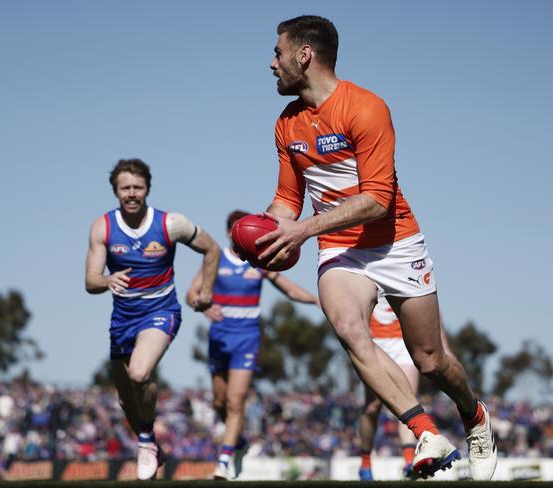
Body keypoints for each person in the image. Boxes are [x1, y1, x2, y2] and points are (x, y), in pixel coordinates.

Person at [253, 16, 497, 480]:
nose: (272, 63)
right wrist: (266, 228)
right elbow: (288, 199)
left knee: (431, 360)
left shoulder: (366, 108)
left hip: (396, 241)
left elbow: (376, 199)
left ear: (305, 55)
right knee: (348, 328)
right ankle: (426, 431)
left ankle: (473, 415)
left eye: (278, 53)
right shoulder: (286, 124)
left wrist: (302, 229)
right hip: (340, 250)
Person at [85, 158, 220, 480]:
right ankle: (153, 444)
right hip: (122, 320)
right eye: (125, 188)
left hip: (160, 312)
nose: (131, 193)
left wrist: (207, 291)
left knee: (140, 373)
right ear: (116, 192)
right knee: (125, 399)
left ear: (147, 188)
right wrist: (106, 280)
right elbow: (90, 280)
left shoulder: (171, 224)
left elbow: (212, 249)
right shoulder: (103, 226)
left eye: (137, 187)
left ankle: (145, 442)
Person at [186, 210, 319, 480]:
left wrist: (318, 300)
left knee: (236, 402)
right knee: (220, 402)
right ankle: (240, 443)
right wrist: (203, 306)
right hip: (219, 337)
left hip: (247, 339)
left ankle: (223, 462)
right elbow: (191, 294)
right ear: (228, 232)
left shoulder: (260, 262)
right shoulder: (216, 258)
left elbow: (290, 290)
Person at [358, 296, 419, 481]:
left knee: (408, 402)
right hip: (375, 342)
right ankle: (366, 462)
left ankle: (409, 463)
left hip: (402, 342)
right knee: (372, 407)